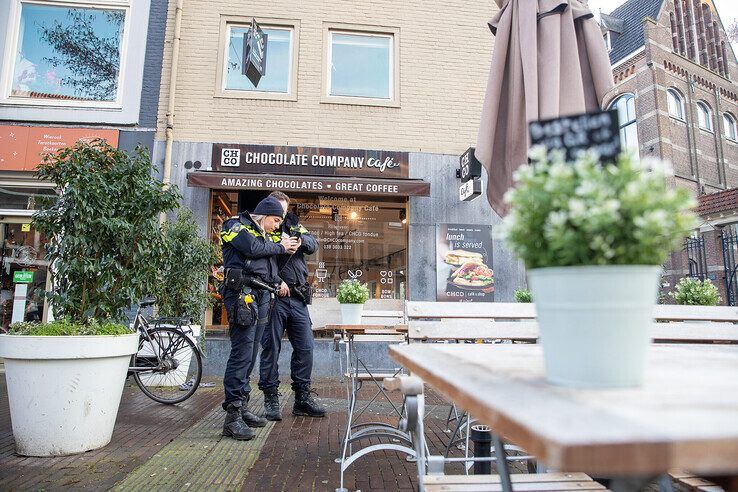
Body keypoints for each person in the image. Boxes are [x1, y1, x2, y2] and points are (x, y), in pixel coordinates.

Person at [220, 195, 299, 440]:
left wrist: (278, 281)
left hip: (261, 295)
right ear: (264, 215)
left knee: (251, 353)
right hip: (242, 297)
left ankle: (242, 408)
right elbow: (252, 249)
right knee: (241, 354)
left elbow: (266, 264)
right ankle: (232, 417)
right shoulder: (234, 225)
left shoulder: (263, 234)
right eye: (275, 220)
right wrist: (281, 247)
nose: (277, 226)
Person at [259, 191, 326, 420]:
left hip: (297, 298)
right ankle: (271, 398)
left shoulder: (293, 224)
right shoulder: (263, 228)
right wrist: (280, 244)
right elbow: (258, 256)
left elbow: (312, 244)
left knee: (306, 347)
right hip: (275, 298)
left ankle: (302, 398)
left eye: (284, 210)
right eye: (277, 210)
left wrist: (299, 241)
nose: (281, 214)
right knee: (271, 349)